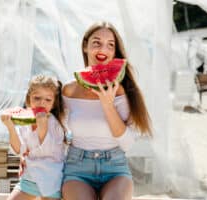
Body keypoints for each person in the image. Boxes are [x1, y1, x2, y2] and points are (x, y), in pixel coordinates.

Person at [61, 21, 152, 200]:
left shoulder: (123, 90)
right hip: (77, 167)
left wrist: (108, 105)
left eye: (111, 45)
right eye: (96, 43)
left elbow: (127, 144)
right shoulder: (69, 90)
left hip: (115, 167)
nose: (104, 49)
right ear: (85, 47)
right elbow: (56, 130)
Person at [1, 75, 66, 200]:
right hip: (29, 178)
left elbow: (46, 149)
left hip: (52, 180)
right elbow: (18, 150)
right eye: (37, 98)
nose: (42, 102)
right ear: (28, 99)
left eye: (48, 100)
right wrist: (11, 127)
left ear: (53, 104)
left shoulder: (56, 124)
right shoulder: (24, 123)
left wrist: (43, 127)